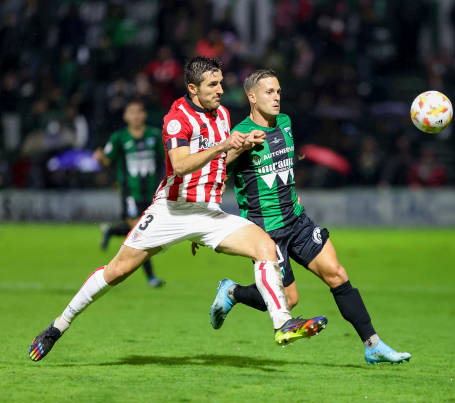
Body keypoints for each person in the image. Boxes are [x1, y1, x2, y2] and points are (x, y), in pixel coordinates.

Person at [28, 57, 327, 362]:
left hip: (209, 214)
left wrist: (243, 144)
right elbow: (181, 165)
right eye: (213, 84)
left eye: (221, 82)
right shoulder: (177, 117)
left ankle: (283, 324)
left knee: (265, 247)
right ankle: (56, 327)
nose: (221, 90)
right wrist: (225, 146)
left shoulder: (222, 114)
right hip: (172, 211)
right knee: (117, 271)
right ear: (193, 88)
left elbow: (220, 162)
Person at [201, 69, 411, 364]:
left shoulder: (285, 123)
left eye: (278, 92)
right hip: (265, 231)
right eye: (269, 92)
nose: (276, 98)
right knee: (290, 299)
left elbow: (284, 163)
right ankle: (233, 292)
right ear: (251, 97)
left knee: (337, 274)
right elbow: (217, 175)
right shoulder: (238, 136)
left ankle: (373, 345)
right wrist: (237, 150)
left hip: (297, 221)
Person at [93, 100, 165, 288]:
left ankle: (111, 230)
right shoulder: (119, 138)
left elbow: (167, 157)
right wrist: (100, 158)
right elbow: (108, 160)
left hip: (151, 191)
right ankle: (151, 277)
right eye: (131, 112)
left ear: (144, 115)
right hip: (129, 192)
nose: (135, 116)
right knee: (140, 233)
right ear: (125, 117)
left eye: (139, 112)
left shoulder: (154, 135)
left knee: (141, 232)